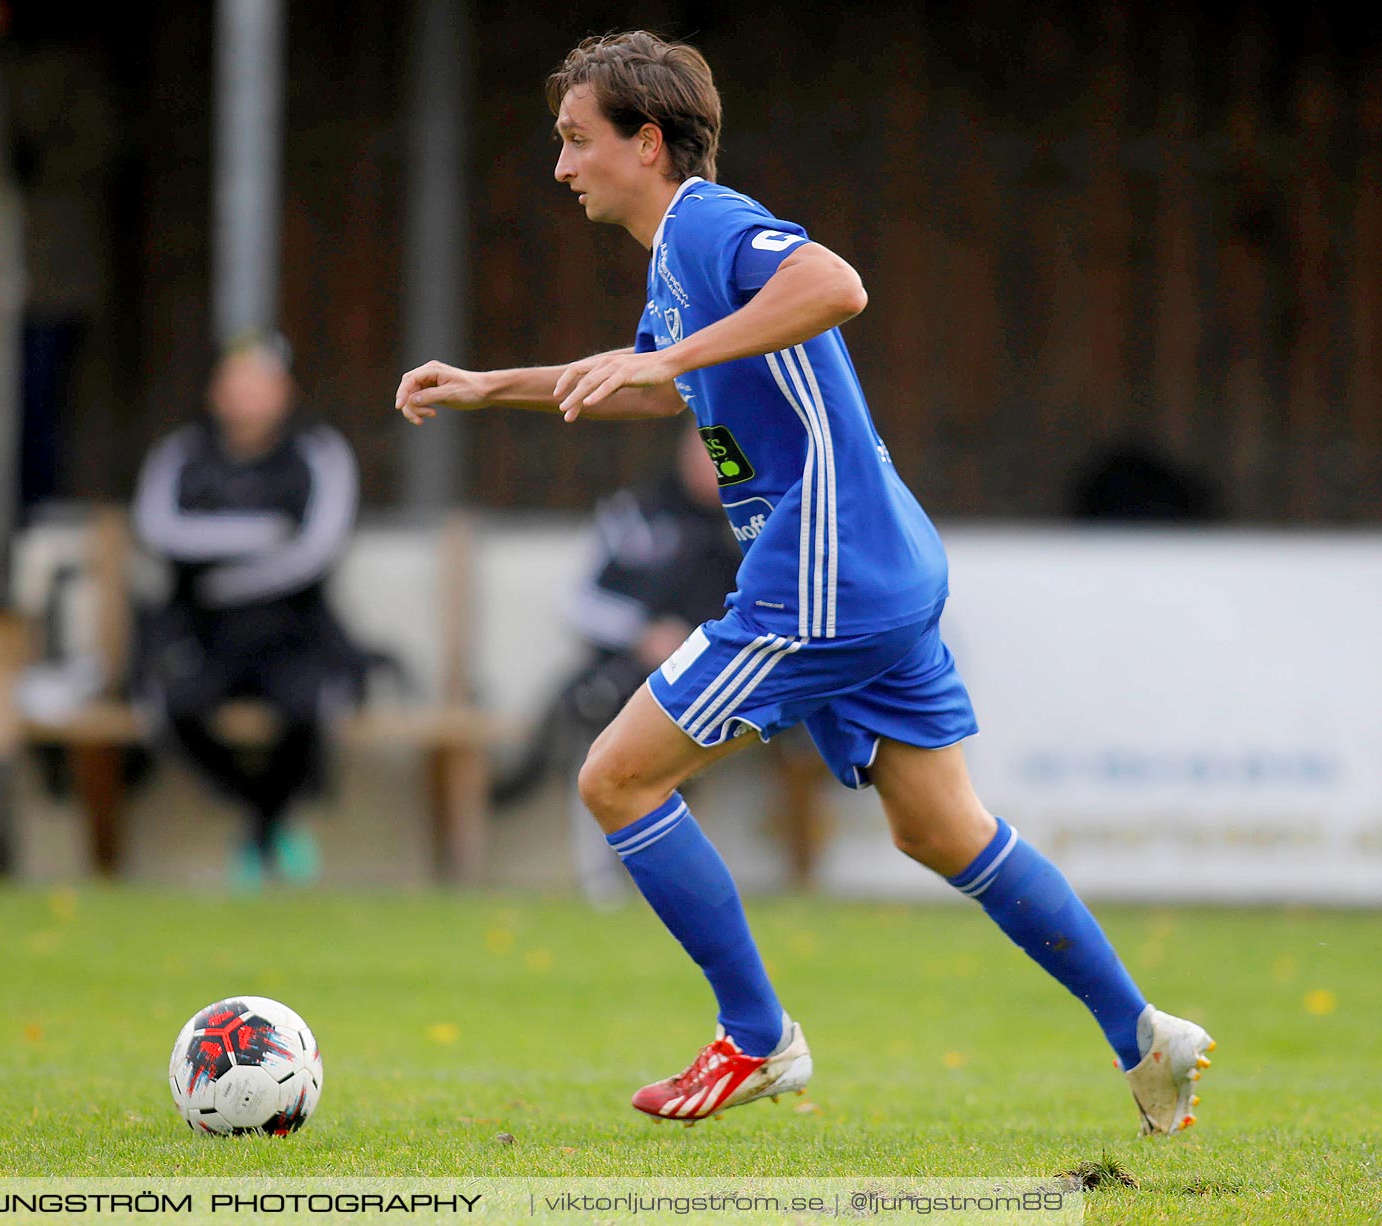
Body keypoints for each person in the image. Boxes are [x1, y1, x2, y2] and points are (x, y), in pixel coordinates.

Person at [395, 31, 1213, 1134]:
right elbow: (646, 387)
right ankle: (1144, 1033)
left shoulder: (709, 221)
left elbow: (836, 284)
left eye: (576, 140)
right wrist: (495, 385)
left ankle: (757, 1034)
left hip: (823, 572)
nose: (561, 166)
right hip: (877, 564)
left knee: (616, 779)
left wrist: (667, 358)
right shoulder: (673, 258)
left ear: (648, 142)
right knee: (940, 826)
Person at [495, 426, 825, 903]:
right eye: (703, 448)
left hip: (736, 675)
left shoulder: (761, 522)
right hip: (638, 670)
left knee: (813, 717)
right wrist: (643, 634)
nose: (711, 463)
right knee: (600, 724)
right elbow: (580, 601)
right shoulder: (637, 512)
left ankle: (772, 879)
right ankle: (603, 887)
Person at [134, 333, 363, 893]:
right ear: (216, 392)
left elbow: (316, 551)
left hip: (292, 628)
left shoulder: (319, 452)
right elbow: (157, 531)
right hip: (202, 629)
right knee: (170, 707)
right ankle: (266, 823)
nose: (246, 397)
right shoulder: (181, 453)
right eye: (235, 383)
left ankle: (260, 831)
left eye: (259, 384)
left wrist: (222, 576)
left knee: (310, 710)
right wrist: (261, 534)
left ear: (284, 392)